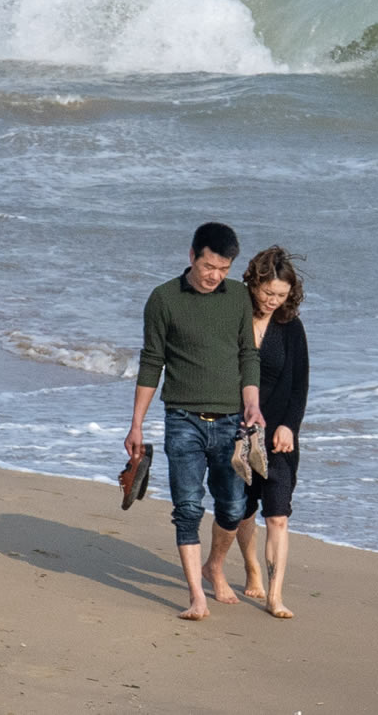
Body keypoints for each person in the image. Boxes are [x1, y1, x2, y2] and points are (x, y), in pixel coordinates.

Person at [126, 222, 262, 620]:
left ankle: (215, 566)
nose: (215, 275)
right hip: (182, 418)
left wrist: (252, 403)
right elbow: (152, 362)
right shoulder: (163, 299)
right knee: (187, 507)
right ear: (192, 255)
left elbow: (247, 355)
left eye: (223, 268)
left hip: (231, 420)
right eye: (208, 266)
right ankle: (196, 597)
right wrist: (136, 424)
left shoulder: (238, 296)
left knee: (233, 507)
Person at [232, 244, 309, 619]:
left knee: (277, 514)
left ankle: (275, 595)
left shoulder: (290, 328)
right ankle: (251, 567)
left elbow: (300, 386)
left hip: (279, 436)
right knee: (243, 510)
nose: (272, 301)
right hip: (237, 429)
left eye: (281, 295)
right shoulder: (233, 317)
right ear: (253, 283)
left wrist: (289, 426)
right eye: (267, 293)